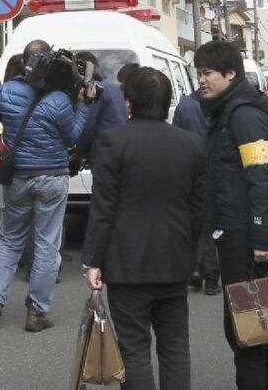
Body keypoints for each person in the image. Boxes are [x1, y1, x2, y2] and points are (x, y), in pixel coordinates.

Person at [83, 67, 206, 390]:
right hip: (176, 258)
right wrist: (190, 245)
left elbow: (103, 206)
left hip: (128, 261)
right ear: (167, 102)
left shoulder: (114, 141)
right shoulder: (190, 143)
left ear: (129, 102)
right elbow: (199, 206)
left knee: (134, 348)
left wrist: (93, 259)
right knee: (176, 346)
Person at [0, 39, 91, 332]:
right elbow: (72, 137)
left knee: (11, 238)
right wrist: (82, 107)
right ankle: (36, 312)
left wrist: (2, 151)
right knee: (47, 243)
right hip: (52, 175)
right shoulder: (60, 99)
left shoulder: (6, 91)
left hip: (18, 176)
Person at [196, 39, 268, 390]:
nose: (201, 80)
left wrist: (262, 238)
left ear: (231, 74)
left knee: (245, 328)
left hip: (244, 235)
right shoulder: (228, 110)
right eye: (198, 73)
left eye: (207, 73)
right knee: (260, 322)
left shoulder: (244, 115)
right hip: (234, 230)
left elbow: (262, 177)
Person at [172, 89, 220, 297]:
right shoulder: (220, 103)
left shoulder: (184, 105)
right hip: (215, 169)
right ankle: (210, 277)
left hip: (188, 169)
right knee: (209, 226)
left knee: (192, 223)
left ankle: (194, 268)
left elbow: (175, 136)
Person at [73, 51, 129, 169]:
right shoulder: (114, 88)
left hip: (104, 153)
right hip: (122, 148)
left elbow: (87, 125)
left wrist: (78, 154)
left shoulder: (93, 90)